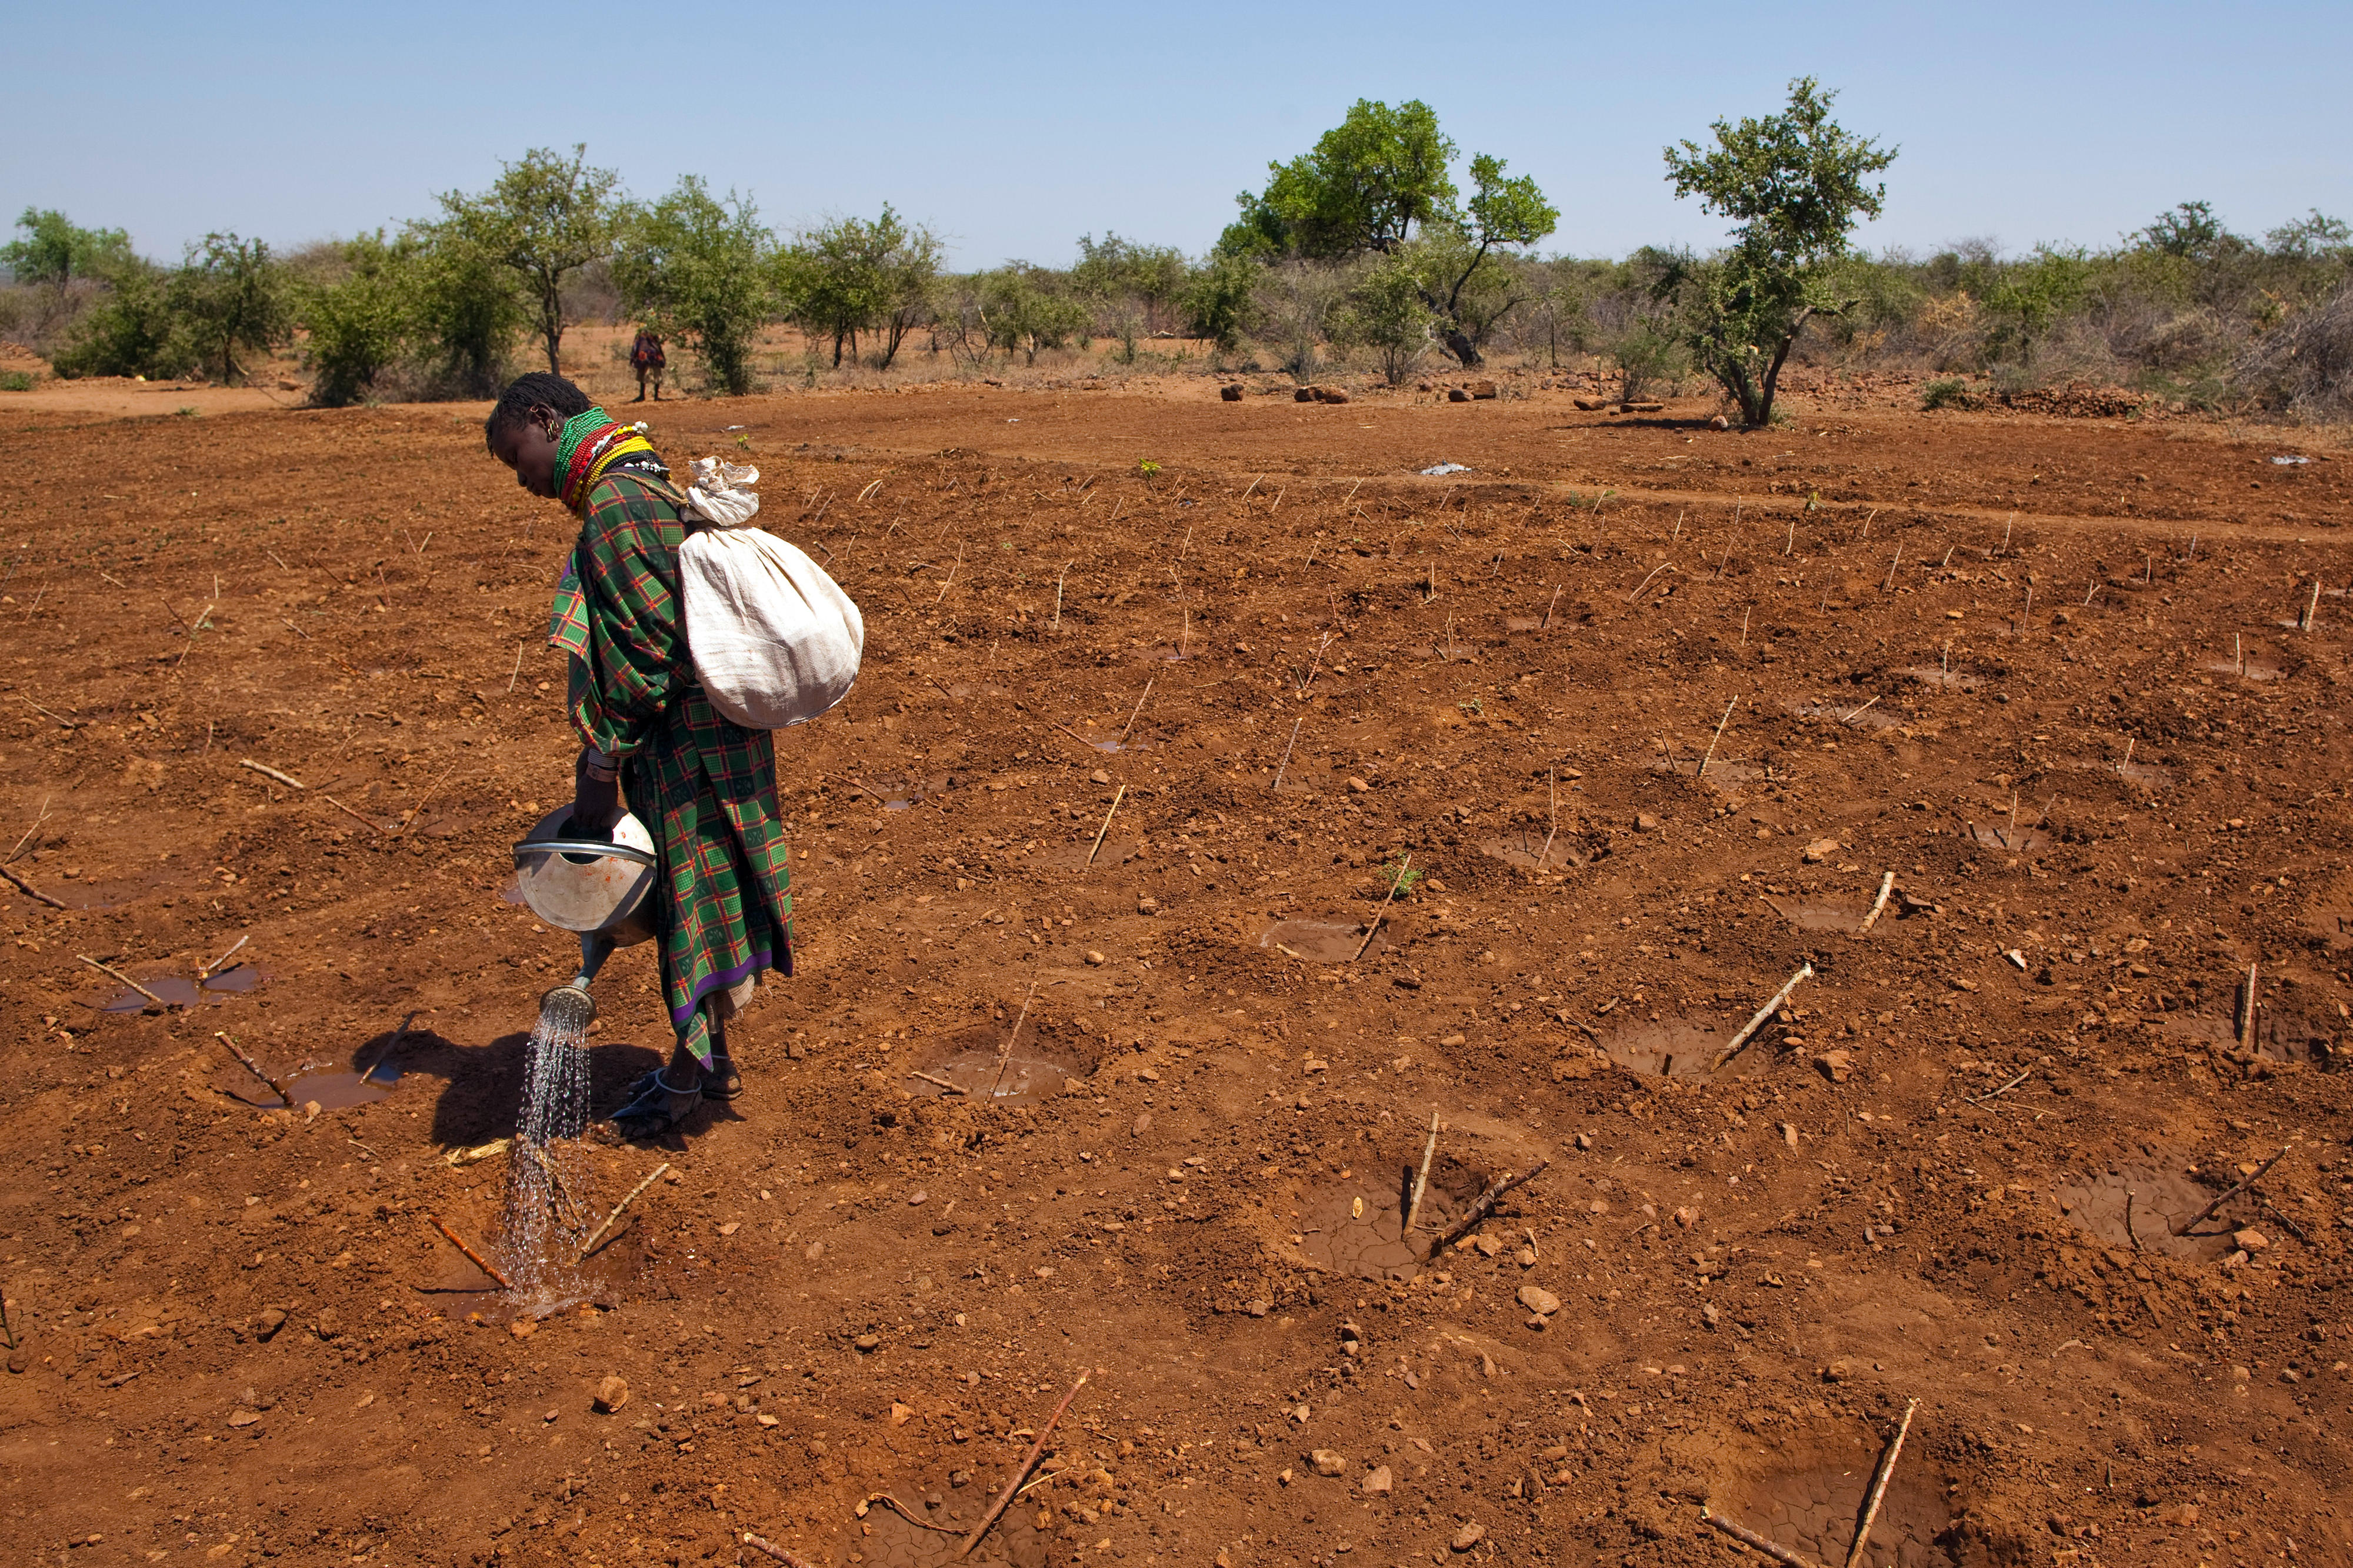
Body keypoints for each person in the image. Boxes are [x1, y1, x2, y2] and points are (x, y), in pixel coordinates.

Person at [483, 371, 792, 1137]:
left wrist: (598, 772)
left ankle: (685, 1082)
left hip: (687, 749)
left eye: (516, 455)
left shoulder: (616, 507)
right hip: (715, 736)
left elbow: (640, 660)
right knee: (703, 895)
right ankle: (711, 1062)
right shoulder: (642, 477)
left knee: (689, 901)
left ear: (542, 418)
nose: (522, 479)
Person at [629, 329, 666, 402]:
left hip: (646, 356)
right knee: (648, 374)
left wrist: (634, 356)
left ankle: (648, 396)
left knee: (652, 375)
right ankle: (650, 396)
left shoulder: (644, 332)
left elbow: (636, 344)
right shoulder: (649, 331)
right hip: (649, 356)